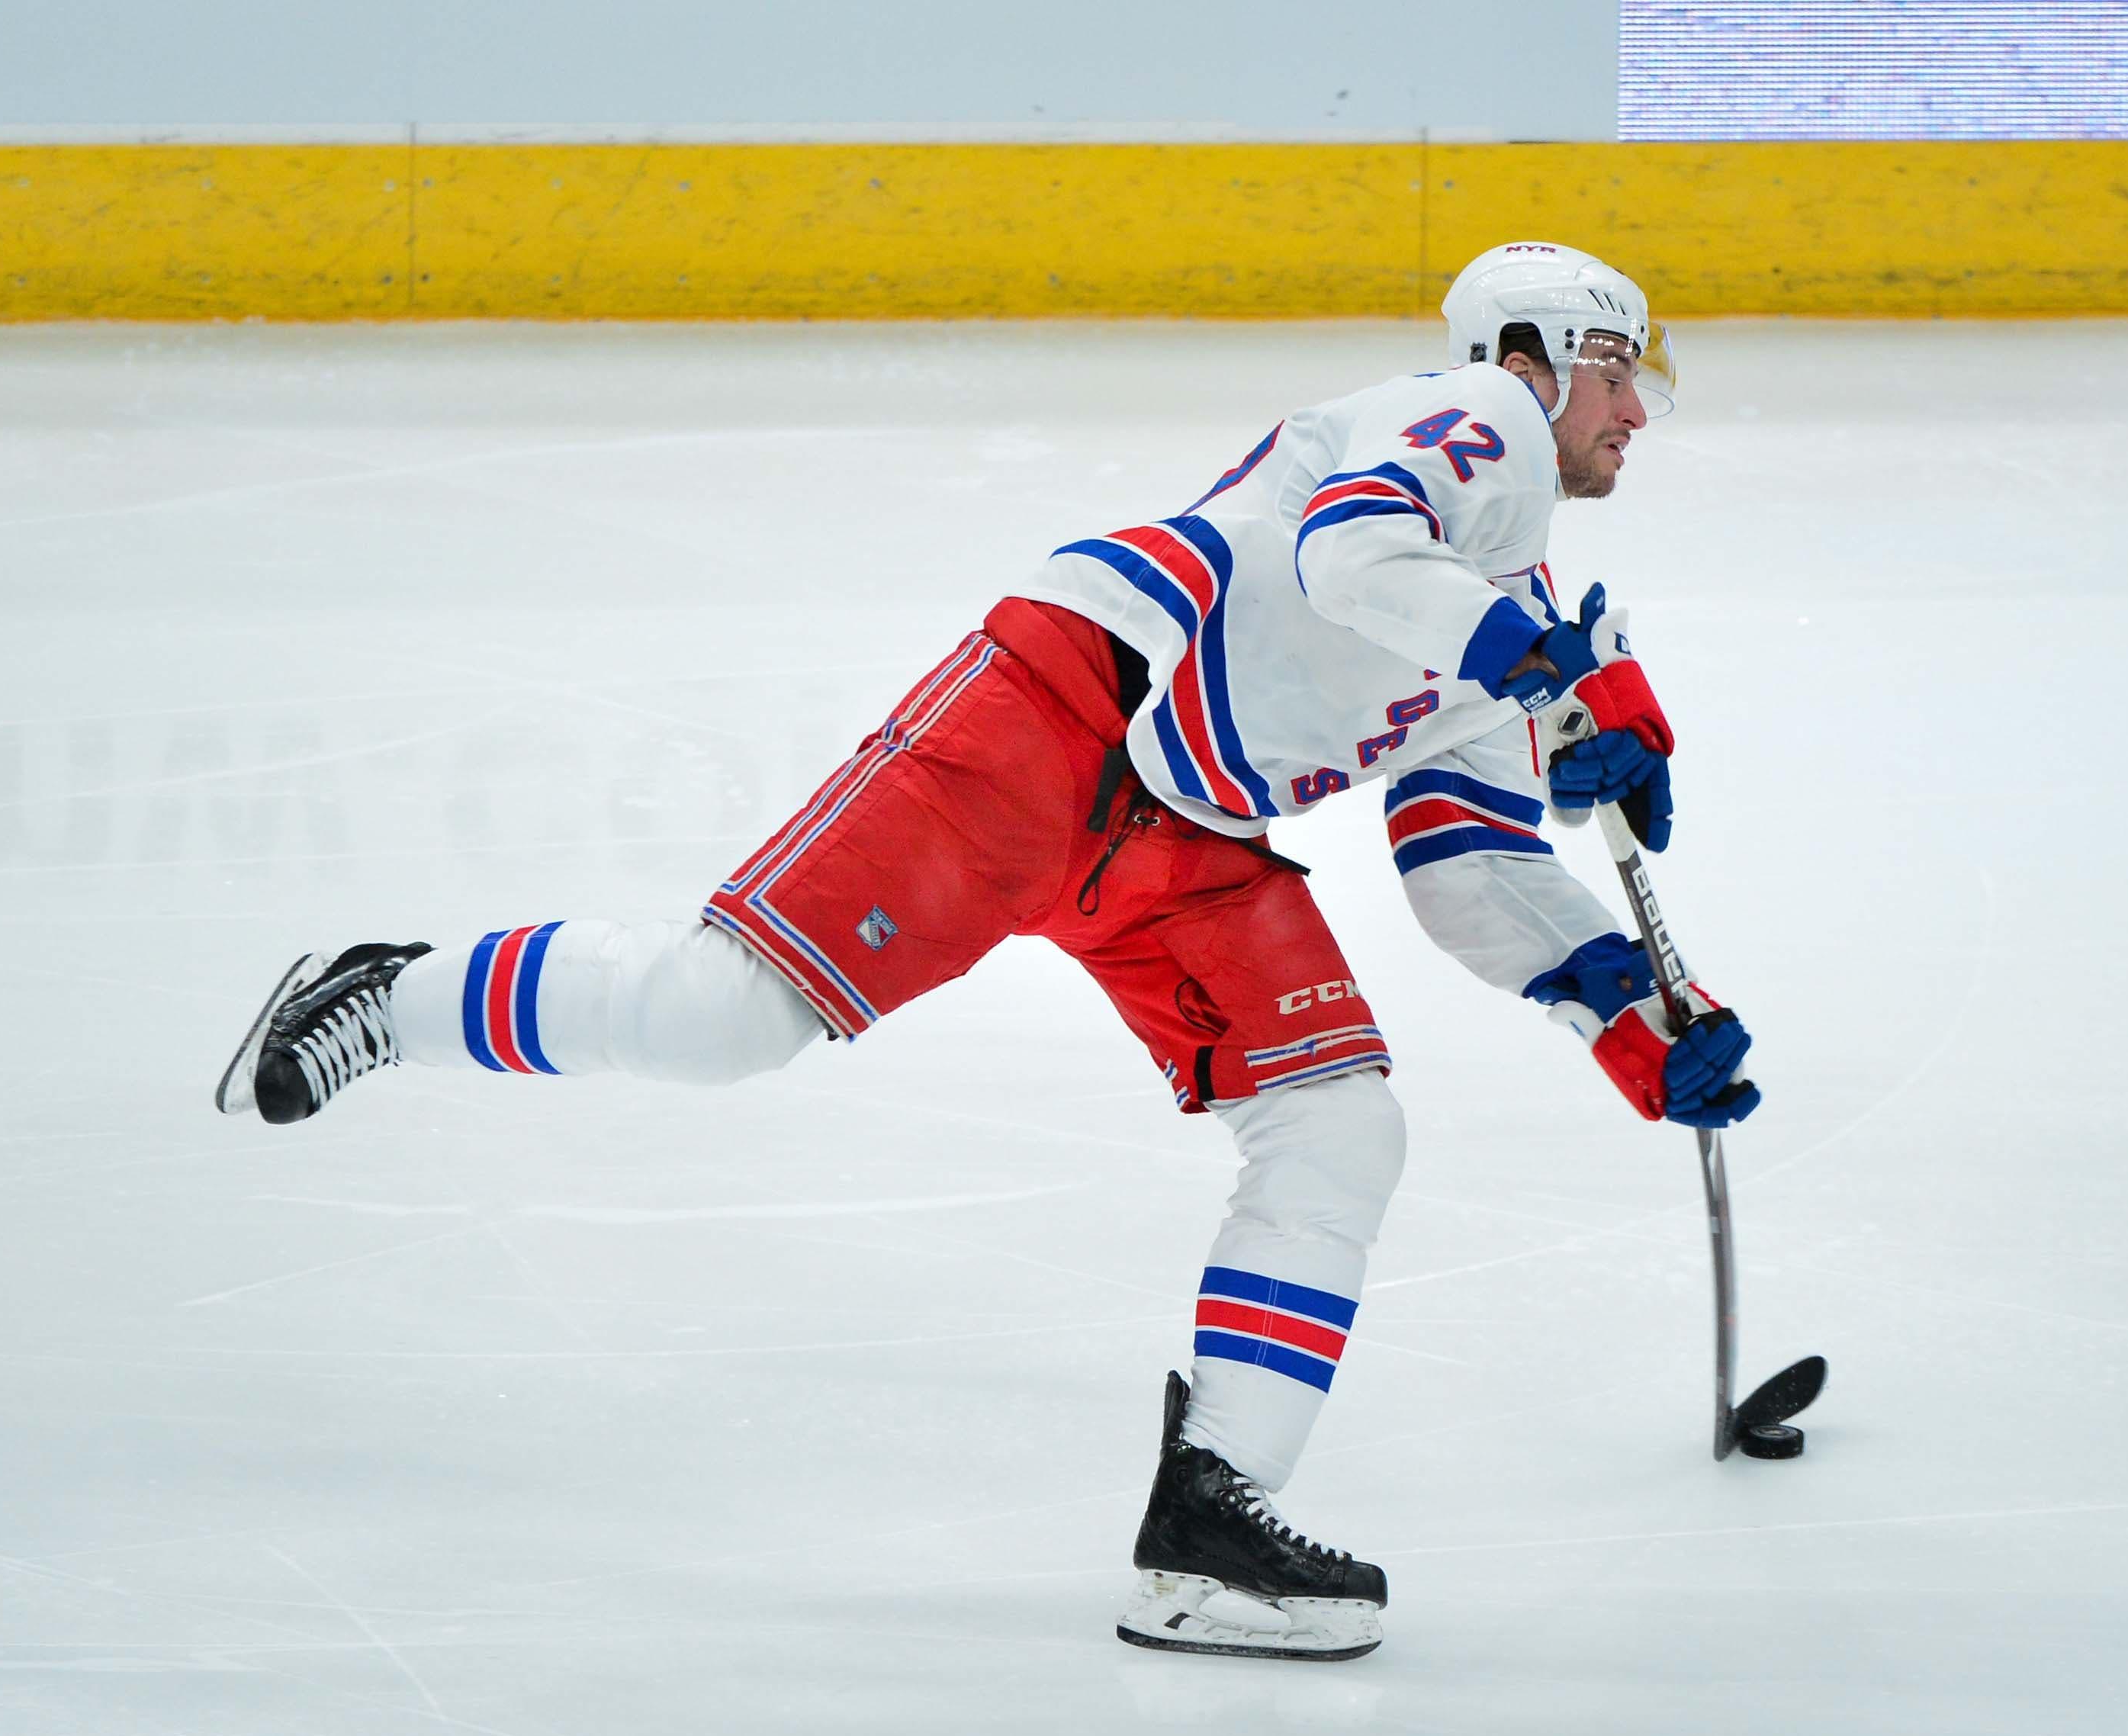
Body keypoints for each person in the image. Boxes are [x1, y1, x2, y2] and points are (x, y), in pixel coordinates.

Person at [214, 241, 1762, 1662]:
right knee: (716, 1015)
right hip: (1059, 714)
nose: (1639, 408)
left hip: (1191, 844)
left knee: (1340, 1116)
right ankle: (387, 993)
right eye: (1616, 369)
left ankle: (1210, 1521)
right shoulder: (1465, 410)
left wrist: (1626, 1013)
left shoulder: (1530, 598)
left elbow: (1472, 858)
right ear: (1534, 356)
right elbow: (1347, 554)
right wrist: (1543, 662)